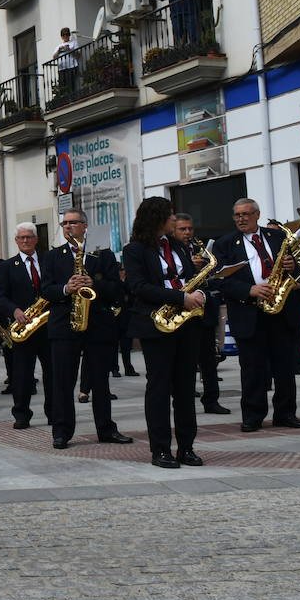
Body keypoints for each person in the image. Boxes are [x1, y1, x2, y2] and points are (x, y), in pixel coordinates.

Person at [123, 197, 209, 469]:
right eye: (170, 214)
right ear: (157, 217)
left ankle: (187, 447)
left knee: (185, 387)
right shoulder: (134, 250)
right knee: (159, 388)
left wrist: (199, 293)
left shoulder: (178, 246)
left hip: (186, 323)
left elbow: (190, 278)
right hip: (156, 324)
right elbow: (138, 286)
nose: (175, 219)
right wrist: (180, 298)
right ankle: (160, 449)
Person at [212, 199, 300, 432]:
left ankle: (286, 413)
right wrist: (250, 290)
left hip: (281, 310)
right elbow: (219, 280)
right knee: (252, 369)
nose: (241, 219)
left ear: (257, 215)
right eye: (237, 215)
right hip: (249, 311)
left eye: (246, 214)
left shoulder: (278, 236)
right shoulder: (225, 244)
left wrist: (293, 267)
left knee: (285, 367)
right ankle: (253, 416)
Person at [40, 210, 132, 449]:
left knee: (100, 381)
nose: (68, 226)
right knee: (63, 382)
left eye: (73, 222)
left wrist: (95, 284)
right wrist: (66, 288)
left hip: (98, 325)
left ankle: (106, 429)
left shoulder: (102, 253)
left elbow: (117, 289)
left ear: (85, 226)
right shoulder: (52, 256)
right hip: (64, 325)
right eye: (65, 223)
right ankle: (61, 432)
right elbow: (45, 290)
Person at [0, 223, 53, 430]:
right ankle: (21, 414)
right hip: (24, 328)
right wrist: (15, 311)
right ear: (16, 241)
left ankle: (54, 413)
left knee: (53, 373)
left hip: (48, 326)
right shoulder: (7, 266)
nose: (25, 241)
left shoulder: (49, 260)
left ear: (36, 239)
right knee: (22, 375)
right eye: (21, 238)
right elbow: (0, 297)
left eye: (29, 237)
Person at [174, 213, 228, 415]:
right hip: (182, 310)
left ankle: (211, 400)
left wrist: (207, 268)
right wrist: (189, 266)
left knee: (209, 359)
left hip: (204, 310)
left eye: (190, 228)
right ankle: (183, 400)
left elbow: (213, 277)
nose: (187, 233)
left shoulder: (200, 249)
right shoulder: (171, 251)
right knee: (184, 361)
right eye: (182, 229)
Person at [50, 27, 80, 98]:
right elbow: (54, 57)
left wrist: (69, 49)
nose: (65, 36)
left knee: (71, 85)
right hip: (62, 68)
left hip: (71, 67)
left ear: (69, 35)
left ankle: (72, 99)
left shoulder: (74, 43)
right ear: (61, 36)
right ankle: (65, 100)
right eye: (63, 35)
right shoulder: (58, 46)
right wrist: (59, 51)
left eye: (67, 34)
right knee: (63, 87)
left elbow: (78, 55)